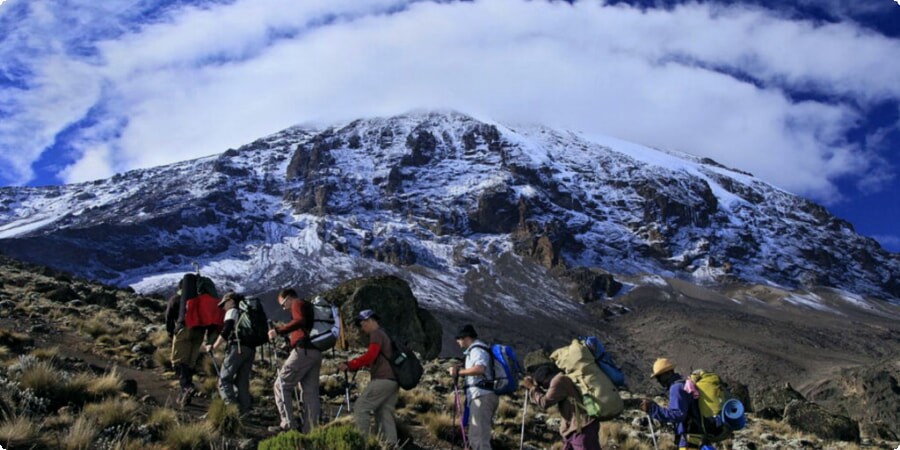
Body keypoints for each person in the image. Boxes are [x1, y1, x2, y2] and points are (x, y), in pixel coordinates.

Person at [338, 309, 399, 445]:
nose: (361, 327)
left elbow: (370, 355)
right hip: (393, 380)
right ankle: (390, 445)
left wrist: (350, 364)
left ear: (370, 320)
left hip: (383, 379)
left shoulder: (376, 334)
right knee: (384, 412)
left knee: (361, 407)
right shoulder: (385, 334)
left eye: (362, 323)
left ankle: (363, 443)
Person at [267, 288, 323, 433]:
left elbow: (299, 321)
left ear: (289, 298)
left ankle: (287, 425)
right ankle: (310, 431)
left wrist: (278, 331)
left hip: (304, 351)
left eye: (283, 304)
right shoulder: (308, 306)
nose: (284, 308)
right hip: (315, 351)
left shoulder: (297, 303)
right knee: (310, 392)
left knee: (281, 384)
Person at [165, 277, 222, 407]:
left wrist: (171, 332)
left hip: (184, 329)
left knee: (178, 362)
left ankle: (186, 387)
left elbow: (168, 317)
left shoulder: (177, 299)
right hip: (199, 333)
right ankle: (186, 393)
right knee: (190, 362)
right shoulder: (202, 300)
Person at [521, 363, 601, 450]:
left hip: (582, 428)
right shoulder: (562, 380)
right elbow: (549, 396)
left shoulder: (558, 380)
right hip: (573, 429)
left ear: (546, 378)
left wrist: (532, 387)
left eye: (542, 384)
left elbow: (544, 402)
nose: (544, 387)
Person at [448, 324, 498, 450]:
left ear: (465, 337)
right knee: (475, 434)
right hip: (480, 395)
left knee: (480, 438)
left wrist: (459, 372)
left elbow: (479, 369)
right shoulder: (476, 350)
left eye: (459, 338)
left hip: (481, 396)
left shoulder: (477, 350)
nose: (458, 342)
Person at [205, 292, 255, 415]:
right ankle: (245, 409)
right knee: (242, 381)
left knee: (224, 380)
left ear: (231, 301)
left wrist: (214, 346)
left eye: (224, 304)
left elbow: (227, 329)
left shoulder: (232, 311)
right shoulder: (247, 312)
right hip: (251, 348)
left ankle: (233, 410)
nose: (223, 307)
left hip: (237, 347)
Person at [640, 358, 697, 449]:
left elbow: (678, 415)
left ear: (668, 373)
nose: (658, 380)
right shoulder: (682, 385)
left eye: (659, 376)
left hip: (688, 439)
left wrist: (652, 409)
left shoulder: (676, 388)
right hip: (694, 437)